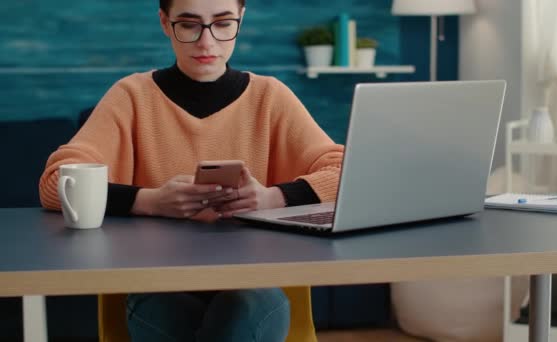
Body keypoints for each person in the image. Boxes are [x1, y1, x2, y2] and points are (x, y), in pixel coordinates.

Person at [38, 0, 344, 341]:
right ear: (166, 23)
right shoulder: (131, 96)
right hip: (158, 283)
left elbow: (346, 172)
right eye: (189, 25)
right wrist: (150, 201)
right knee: (173, 304)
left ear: (240, 21)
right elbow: (57, 183)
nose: (206, 42)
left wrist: (272, 197)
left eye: (223, 23)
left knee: (250, 303)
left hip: (252, 282)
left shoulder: (270, 97)